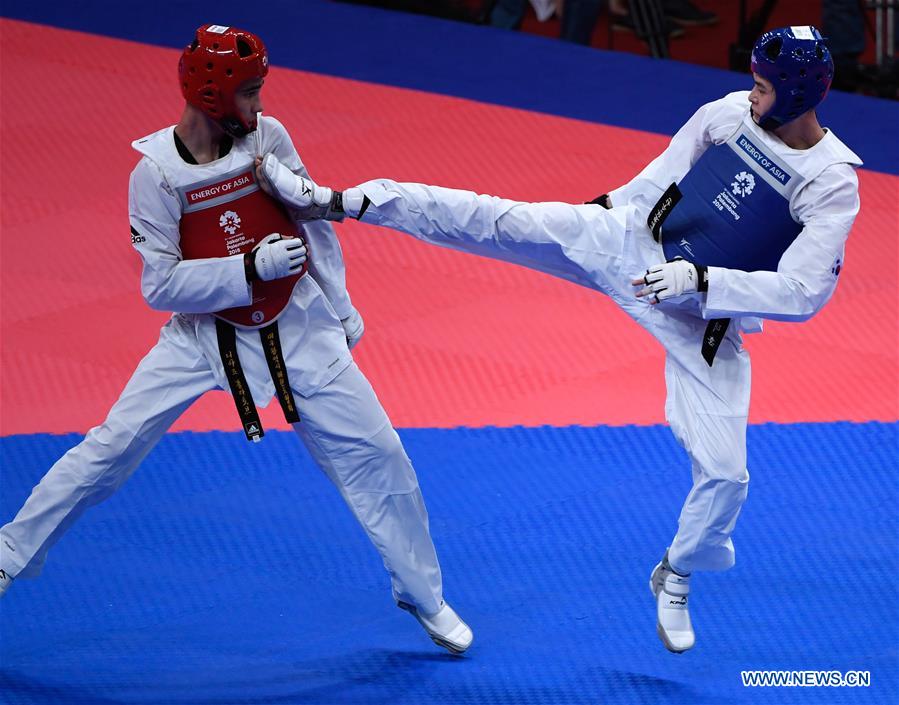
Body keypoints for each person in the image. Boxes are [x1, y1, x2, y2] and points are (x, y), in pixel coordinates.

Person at [253, 26, 861, 653]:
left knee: (728, 475)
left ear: (793, 95)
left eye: (762, 86)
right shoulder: (729, 114)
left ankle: (676, 574)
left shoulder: (830, 181)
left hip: (699, 314)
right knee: (491, 218)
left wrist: (700, 280)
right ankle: (337, 200)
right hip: (628, 246)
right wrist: (602, 217)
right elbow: (657, 182)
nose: (750, 93)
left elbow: (803, 293)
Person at [0, 24, 473, 656]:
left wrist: (342, 303)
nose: (258, 107)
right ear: (212, 92)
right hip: (201, 336)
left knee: (380, 455)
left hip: (298, 323)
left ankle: (422, 592)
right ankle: (7, 556)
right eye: (249, 93)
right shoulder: (156, 176)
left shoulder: (268, 139)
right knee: (109, 449)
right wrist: (246, 269)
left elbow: (313, 219)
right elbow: (160, 285)